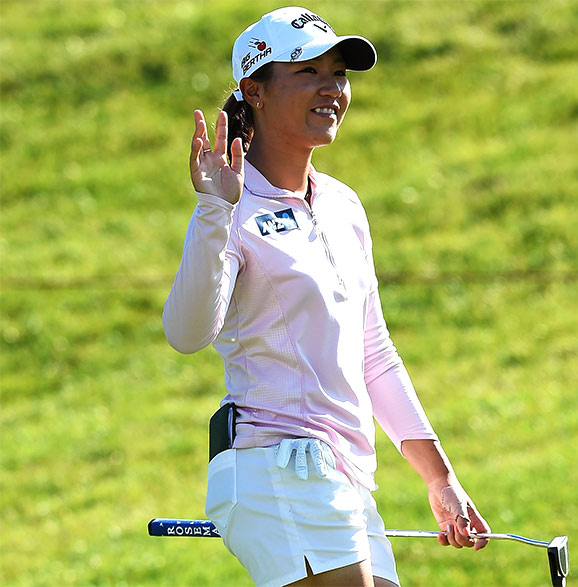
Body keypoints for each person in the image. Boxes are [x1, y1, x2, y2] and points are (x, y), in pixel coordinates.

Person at [163, 6, 490, 586]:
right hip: (276, 466)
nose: (331, 89)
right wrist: (214, 209)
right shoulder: (229, 206)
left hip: (345, 478)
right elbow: (187, 335)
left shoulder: (343, 204)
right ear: (254, 91)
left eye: (338, 74)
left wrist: (440, 478)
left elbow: (374, 354)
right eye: (308, 72)